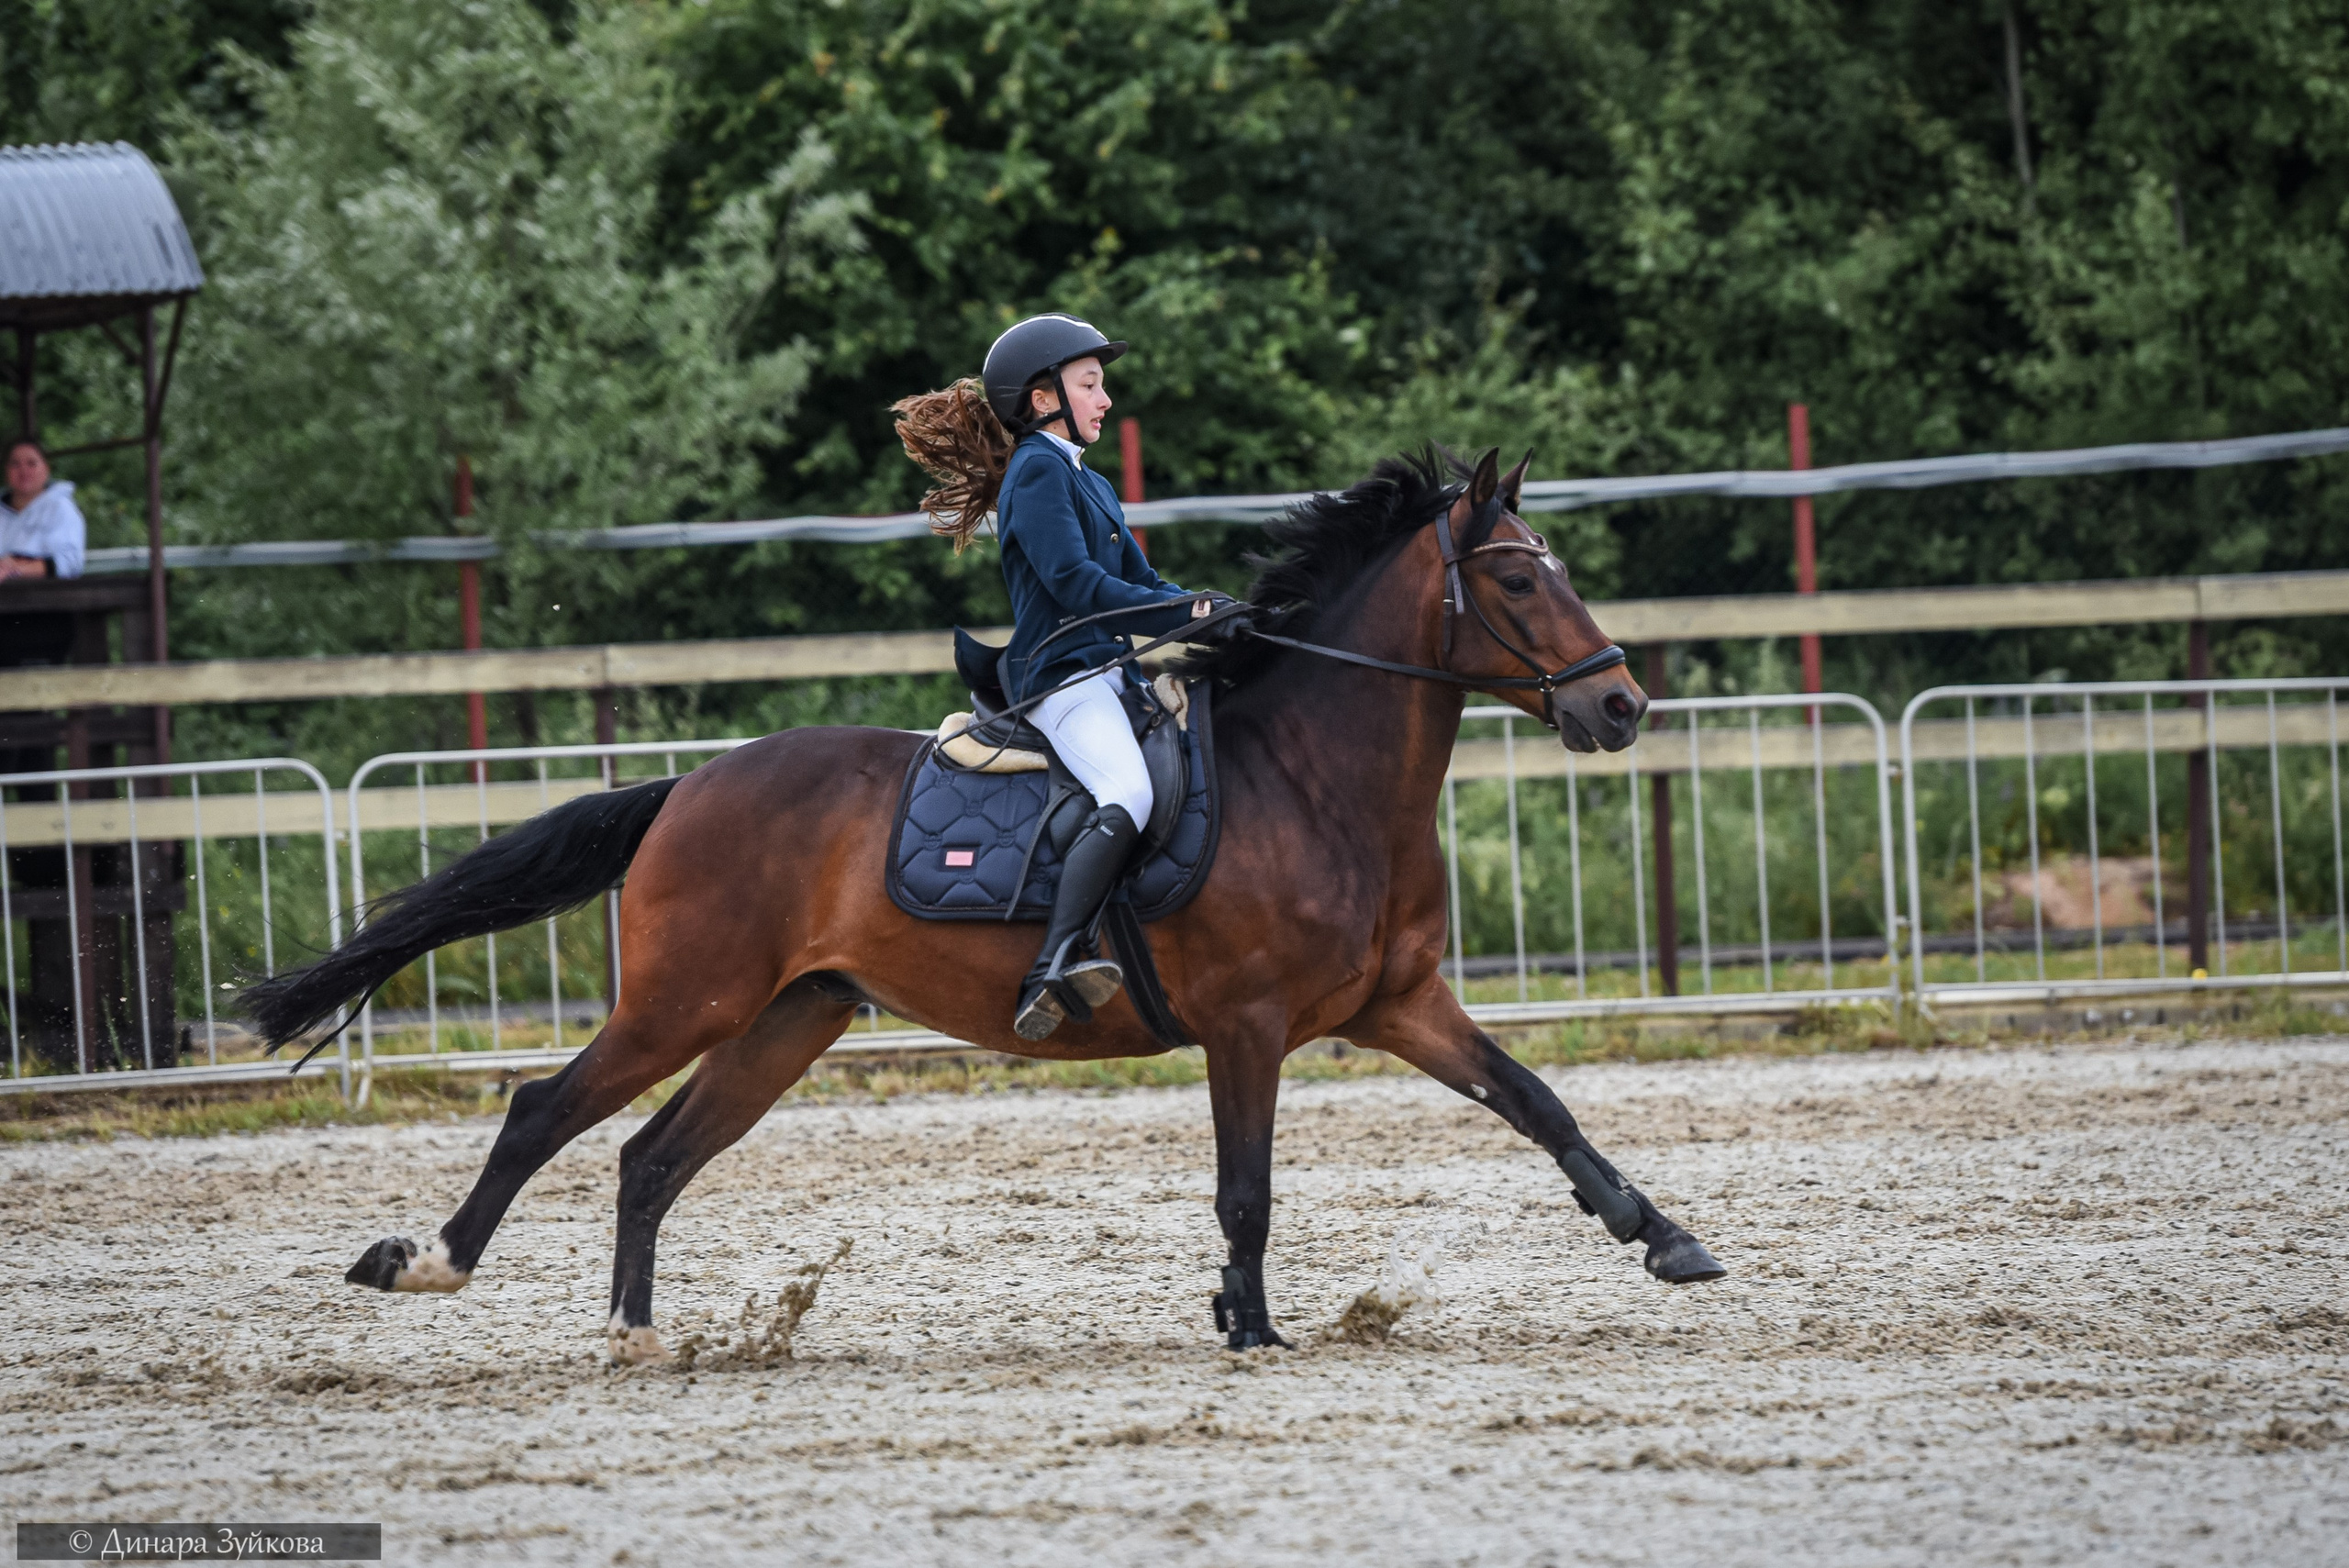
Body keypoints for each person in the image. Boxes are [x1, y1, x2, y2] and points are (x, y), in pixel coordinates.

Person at [895, 315, 1243, 1040]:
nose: (1105, 399)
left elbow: (1141, 581)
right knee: (1130, 789)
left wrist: (1208, 607)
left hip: (1108, 674)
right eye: (1090, 384)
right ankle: (1053, 962)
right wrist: (1183, 609)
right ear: (1042, 396)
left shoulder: (1092, 483)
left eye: (1102, 384)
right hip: (1059, 677)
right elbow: (1075, 584)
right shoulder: (1035, 470)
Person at [2, 438, 87, 584]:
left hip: (47, 599)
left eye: (31, 463)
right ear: (6, 471)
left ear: (46, 468)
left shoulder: (61, 508)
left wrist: (15, 570)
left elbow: (70, 563)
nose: (23, 470)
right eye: (15, 464)